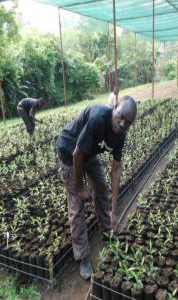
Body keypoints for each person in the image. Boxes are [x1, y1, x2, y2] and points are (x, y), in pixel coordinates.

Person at [57, 96, 137, 280]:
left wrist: (113, 210)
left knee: (101, 188)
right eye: (121, 116)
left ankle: (107, 228)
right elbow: (77, 154)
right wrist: (80, 188)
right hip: (70, 151)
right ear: (115, 107)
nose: (123, 123)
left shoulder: (121, 135)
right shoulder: (98, 119)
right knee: (77, 205)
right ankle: (82, 256)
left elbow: (116, 170)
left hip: (89, 152)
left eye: (128, 122)